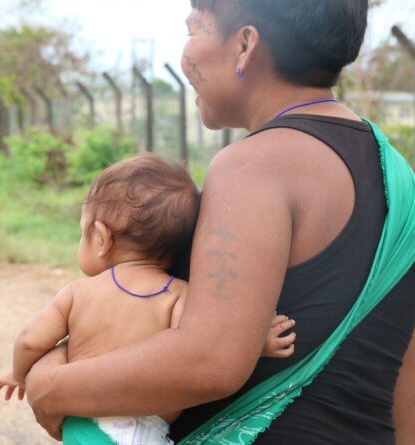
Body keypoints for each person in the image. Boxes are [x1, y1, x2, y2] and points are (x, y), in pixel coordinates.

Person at [24, 2, 415, 444]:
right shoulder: (398, 176)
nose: (185, 53)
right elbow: (405, 372)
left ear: (245, 45)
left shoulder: (254, 165)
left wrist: (50, 387)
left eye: (195, 28)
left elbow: (210, 360)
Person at [0, 154, 296, 445]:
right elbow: (208, 349)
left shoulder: (78, 293)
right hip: (147, 430)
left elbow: (29, 341)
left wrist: (19, 374)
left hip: (85, 422)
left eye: (83, 233)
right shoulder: (179, 296)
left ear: (102, 239)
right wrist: (255, 344)